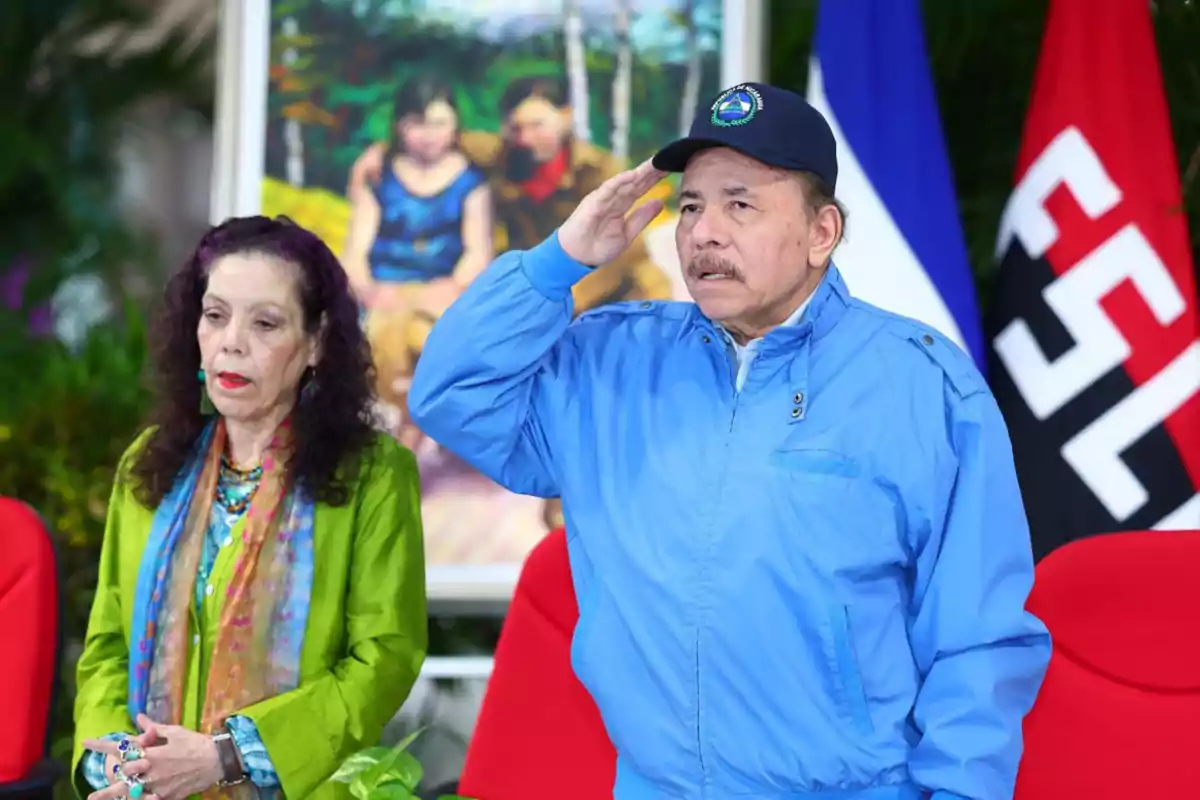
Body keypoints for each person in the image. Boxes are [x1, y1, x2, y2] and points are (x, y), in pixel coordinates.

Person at [408, 83, 1052, 800]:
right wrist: (558, 260)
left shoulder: (921, 384)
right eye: (690, 206)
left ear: (820, 232)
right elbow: (450, 395)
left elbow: (978, 639)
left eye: (740, 204)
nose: (704, 232)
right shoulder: (611, 365)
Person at [73, 216, 428, 800]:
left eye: (265, 323)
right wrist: (117, 763)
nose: (231, 341)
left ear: (315, 344)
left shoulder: (372, 473)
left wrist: (227, 758)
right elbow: (107, 645)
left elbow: (383, 660)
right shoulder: (152, 462)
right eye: (215, 316)